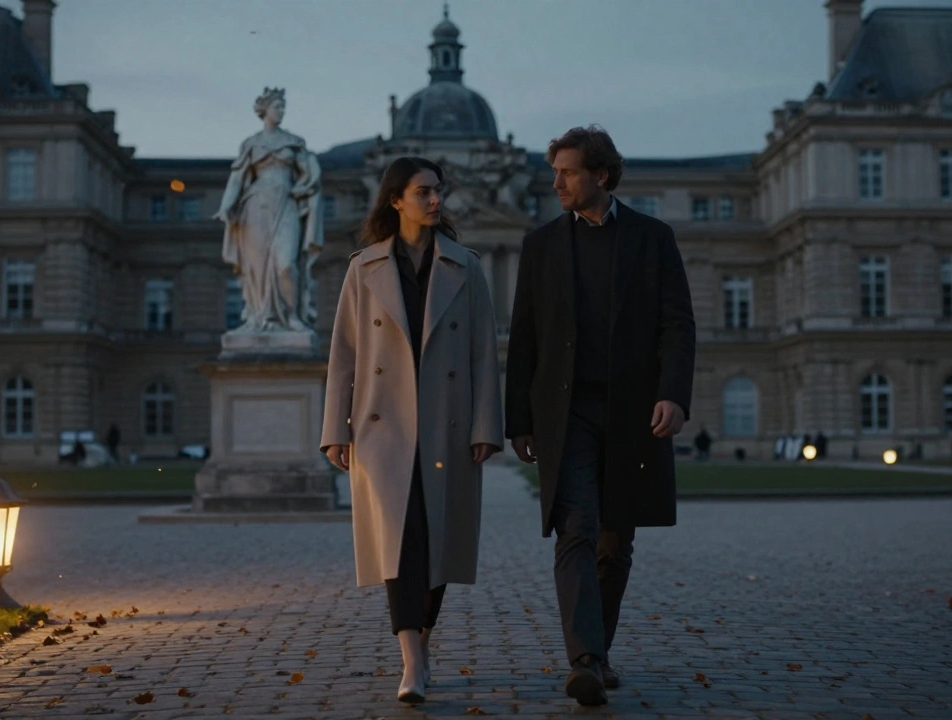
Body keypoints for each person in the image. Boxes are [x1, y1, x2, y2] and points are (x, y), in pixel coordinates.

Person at [505, 126, 696, 706]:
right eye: (555, 171)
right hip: (566, 412)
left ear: (601, 176)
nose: (556, 182)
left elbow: (677, 324)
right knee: (577, 529)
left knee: (616, 541)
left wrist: (673, 394)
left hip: (633, 410)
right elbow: (525, 338)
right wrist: (519, 419)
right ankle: (584, 658)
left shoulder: (652, 237)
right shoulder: (540, 245)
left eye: (566, 172)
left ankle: (599, 652)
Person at [320, 156, 503, 705]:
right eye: (423, 192)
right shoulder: (363, 268)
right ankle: (411, 657)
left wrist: (486, 424)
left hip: (446, 423)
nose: (434, 200)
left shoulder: (466, 266)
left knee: (438, 541)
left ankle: (422, 641)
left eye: (437, 191)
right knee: (401, 543)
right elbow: (344, 356)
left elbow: (483, 354)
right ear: (395, 199)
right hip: (384, 427)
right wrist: (336, 428)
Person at [214, 87, 324, 332]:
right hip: (254, 208)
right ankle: (259, 316)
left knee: (286, 264)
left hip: (287, 204)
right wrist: (226, 206)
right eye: (277, 107)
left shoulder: (294, 143)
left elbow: (310, 174)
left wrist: (306, 184)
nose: (281, 111)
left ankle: (292, 316)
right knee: (258, 267)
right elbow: (236, 179)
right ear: (264, 111)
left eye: (283, 107)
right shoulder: (251, 144)